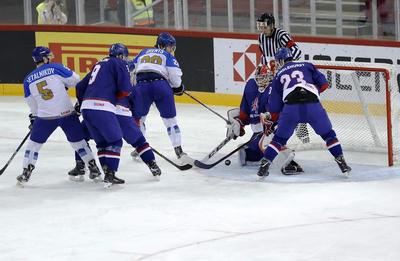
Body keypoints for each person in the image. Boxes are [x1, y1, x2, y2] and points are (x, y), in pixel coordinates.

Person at [256, 47, 351, 180]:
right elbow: (324, 85)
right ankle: (342, 163)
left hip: (291, 108)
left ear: (281, 61)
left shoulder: (278, 75)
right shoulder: (308, 65)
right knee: (329, 135)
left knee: (278, 140)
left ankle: (264, 167)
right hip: (313, 106)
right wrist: (312, 90)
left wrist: (277, 117)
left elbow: (274, 108)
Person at [17, 46, 101, 185]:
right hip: (67, 114)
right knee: (78, 142)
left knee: (34, 145)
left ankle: (26, 171)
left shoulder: (27, 80)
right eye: (48, 56)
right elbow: (76, 80)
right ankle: (93, 167)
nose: (50, 58)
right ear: (44, 58)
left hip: (45, 117)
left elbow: (32, 104)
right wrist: (63, 84)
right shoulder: (56, 67)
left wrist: (34, 118)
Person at [226, 65, 303, 175]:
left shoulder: (274, 89)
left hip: (274, 125)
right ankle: (257, 153)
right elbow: (246, 110)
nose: (261, 80)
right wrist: (239, 123)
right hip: (260, 129)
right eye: (260, 77)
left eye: (264, 77)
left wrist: (273, 126)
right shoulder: (250, 85)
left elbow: (275, 112)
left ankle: (287, 163)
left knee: (266, 144)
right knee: (251, 152)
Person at [69, 89, 162, 180]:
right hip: (122, 114)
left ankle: (83, 165)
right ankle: (152, 164)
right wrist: (136, 119)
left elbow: (83, 93)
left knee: (81, 138)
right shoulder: (125, 81)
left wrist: (77, 111)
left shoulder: (98, 79)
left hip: (100, 113)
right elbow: (136, 103)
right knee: (139, 142)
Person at [76, 43, 132, 187]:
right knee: (115, 141)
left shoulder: (98, 63)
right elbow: (125, 89)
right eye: (125, 56)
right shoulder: (119, 63)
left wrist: (82, 102)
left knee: (102, 143)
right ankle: (110, 174)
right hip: (102, 106)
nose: (125, 59)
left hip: (86, 107)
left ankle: (106, 171)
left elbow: (80, 86)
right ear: (120, 55)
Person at [130, 32, 189, 161]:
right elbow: (175, 76)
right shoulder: (167, 55)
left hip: (141, 87)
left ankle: (140, 147)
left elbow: (130, 68)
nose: (171, 50)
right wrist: (178, 87)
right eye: (170, 47)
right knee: (170, 121)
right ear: (162, 45)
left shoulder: (143, 52)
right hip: (161, 86)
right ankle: (178, 150)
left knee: (140, 119)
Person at [257, 12, 309, 145]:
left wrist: (284, 64)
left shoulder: (282, 35)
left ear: (272, 25)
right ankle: (273, 132)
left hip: (286, 75)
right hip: (272, 77)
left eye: (265, 27)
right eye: (260, 27)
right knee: (271, 103)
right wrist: (264, 67)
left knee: (292, 102)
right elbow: (264, 56)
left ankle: (302, 130)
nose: (262, 30)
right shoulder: (261, 38)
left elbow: (296, 51)